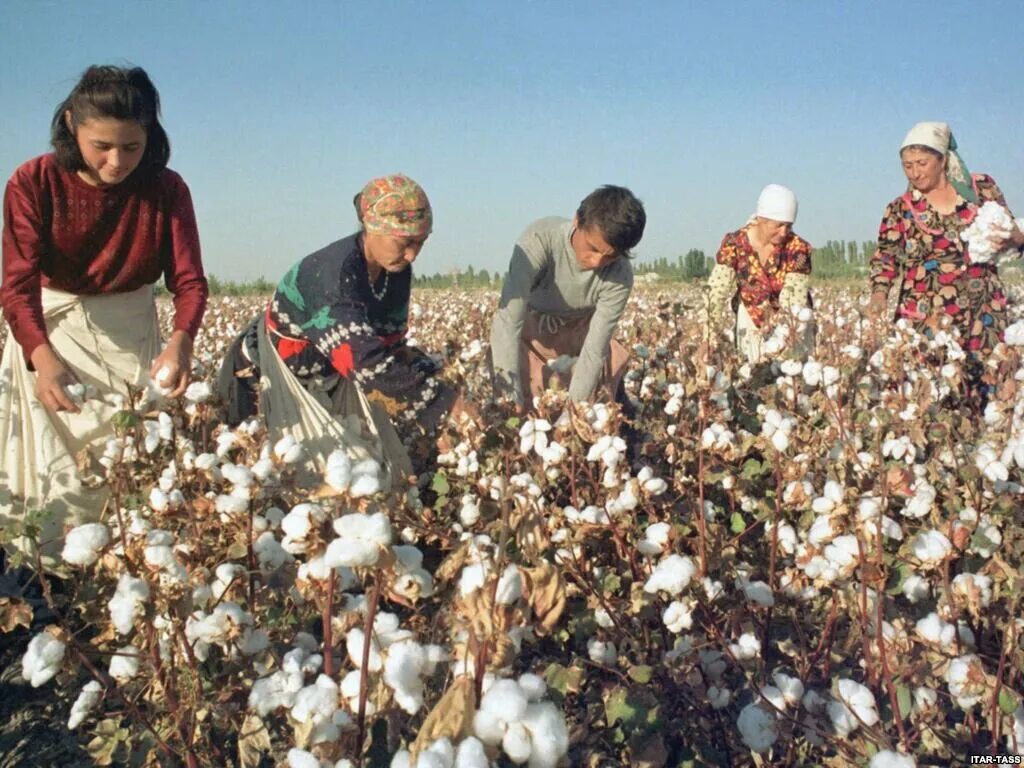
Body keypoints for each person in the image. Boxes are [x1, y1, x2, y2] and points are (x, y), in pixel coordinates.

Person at [0, 65, 208, 562]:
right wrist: (40, 357)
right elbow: (17, 282)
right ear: (72, 125)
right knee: (57, 471)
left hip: (129, 336)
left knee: (132, 459)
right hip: (53, 334)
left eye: (132, 148)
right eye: (102, 147)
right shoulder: (34, 181)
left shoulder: (166, 189)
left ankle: (129, 575)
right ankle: (51, 580)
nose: (117, 162)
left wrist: (181, 340)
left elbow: (188, 281)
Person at [218, 174, 454, 484]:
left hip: (329, 381)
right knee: (288, 485)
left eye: (421, 242)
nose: (412, 254)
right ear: (372, 227)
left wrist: (439, 378)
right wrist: (443, 404)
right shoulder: (332, 274)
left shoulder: (395, 272)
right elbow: (367, 366)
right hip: (266, 384)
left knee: (369, 477)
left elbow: (392, 346)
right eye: (405, 242)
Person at [868, 122, 1024, 392]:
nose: (914, 173)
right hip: (928, 315)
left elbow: (1014, 233)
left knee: (987, 387)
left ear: (942, 159)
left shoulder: (981, 189)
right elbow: (886, 257)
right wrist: (879, 294)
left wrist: (1011, 237)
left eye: (922, 163)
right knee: (931, 390)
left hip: (983, 312)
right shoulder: (899, 209)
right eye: (907, 165)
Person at [489, 185, 646, 411]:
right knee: (520, 410)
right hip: (531, 340)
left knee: (599, 415)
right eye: (592, 248)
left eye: (609, 256)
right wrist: (507, 398)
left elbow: (594, 349)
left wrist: (574, 413)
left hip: (581, 346)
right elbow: (509, 321)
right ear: (577, 221)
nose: (596, 262)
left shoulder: (619, 276)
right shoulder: (539, 240)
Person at [706, 184, 813, 363]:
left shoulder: (798, 249)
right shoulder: (735, 243)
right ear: (762, 219)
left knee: (791, 373)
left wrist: (783, 332)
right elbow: (716, 291)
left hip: (791, 322)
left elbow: (794, 298)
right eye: (778, 225)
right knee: (751, 374)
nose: (784, 232)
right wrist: (708, 337)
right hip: (750, 315)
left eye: (789, 226)